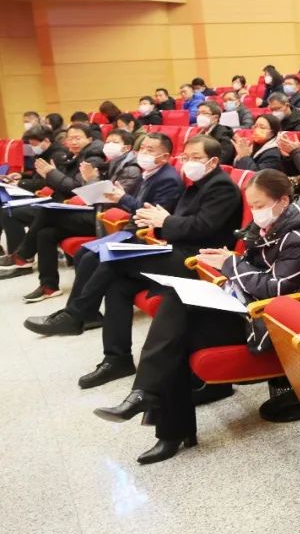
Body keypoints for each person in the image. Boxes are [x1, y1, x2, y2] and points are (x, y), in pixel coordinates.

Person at [92, 170, 300, 464]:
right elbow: (250, 266)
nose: (255, 212)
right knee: (175, 316)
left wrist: (230, 264)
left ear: (283, 201)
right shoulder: (271, 224)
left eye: (260, 205)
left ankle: (158, 412)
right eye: (252, 205)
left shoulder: (298, 237)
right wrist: (227, 260)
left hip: (266, 322)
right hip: (245, 306)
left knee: (176, 332)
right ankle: (156, 411)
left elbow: (275, 288)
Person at [67, 136, 243, 389]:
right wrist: (161, 222)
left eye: (196, 158)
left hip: (199, 261)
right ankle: (117, 359)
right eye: (186, 157)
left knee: (116, 261)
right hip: (180, 250)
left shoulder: (221, 187)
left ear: (213, 161)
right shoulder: (198, 183)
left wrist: (165, 221)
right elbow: (180, 222)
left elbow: (203, 227)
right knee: (118, 285)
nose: (189, 162)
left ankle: (78, 313)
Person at [23, 132, 185, 337]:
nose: (143, 152)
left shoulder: (168, 179)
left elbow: (153, 214)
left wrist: (122, 198)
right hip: (131, 229)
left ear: (165, 156)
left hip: (147, 236)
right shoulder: (149, 173)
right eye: (142, 148)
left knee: (94, 257)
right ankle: (83, 314)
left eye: (150, 150)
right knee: (84, 253)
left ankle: (75, 317)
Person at [0, 129, 140, 302]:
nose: (109, 145)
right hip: (94, 210)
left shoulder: (127, 168)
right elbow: (86, 192)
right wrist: (86, 181)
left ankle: (22, 255)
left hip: (105, 218)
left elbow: (111, 199)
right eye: (108, 141)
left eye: (115, 142)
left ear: (126, 148)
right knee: (46, 233)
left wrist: (89, 180)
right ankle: (48, 286)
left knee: (47, 212)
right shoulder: (109, 162)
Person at [193, 102, 236, 166]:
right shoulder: (201, 133)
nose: (200, 116)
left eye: (204, 113)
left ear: (215, 118)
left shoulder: (224, 133)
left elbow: (223, 159)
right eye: (198, 113)